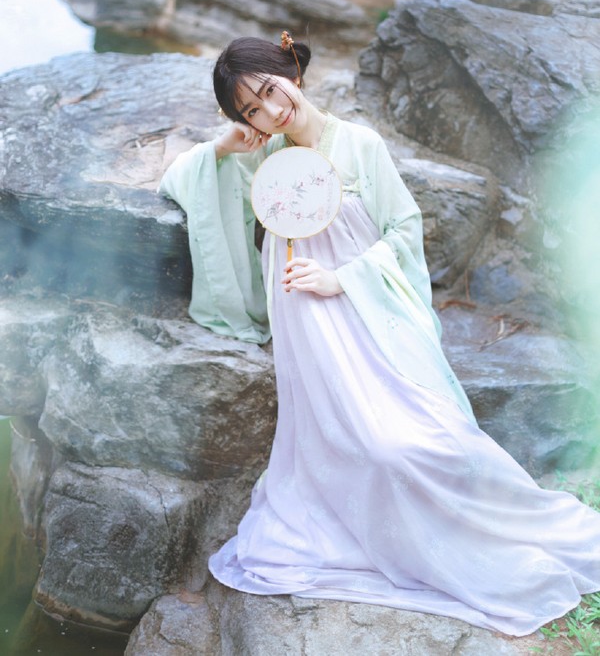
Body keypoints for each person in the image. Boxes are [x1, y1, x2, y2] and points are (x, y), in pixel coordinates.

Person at [159, 33, 600, 637]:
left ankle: (483, 537)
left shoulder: (360, 144)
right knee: (362, 445)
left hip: (367, 312)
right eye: (251, 111)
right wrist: (223, 147)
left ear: (292, 69)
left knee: (416, 445)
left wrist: (342, 278)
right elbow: (182, 181)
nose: (270, 112)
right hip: (305, 322)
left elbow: (404, 228)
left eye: (269, 91)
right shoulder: (263, 158)